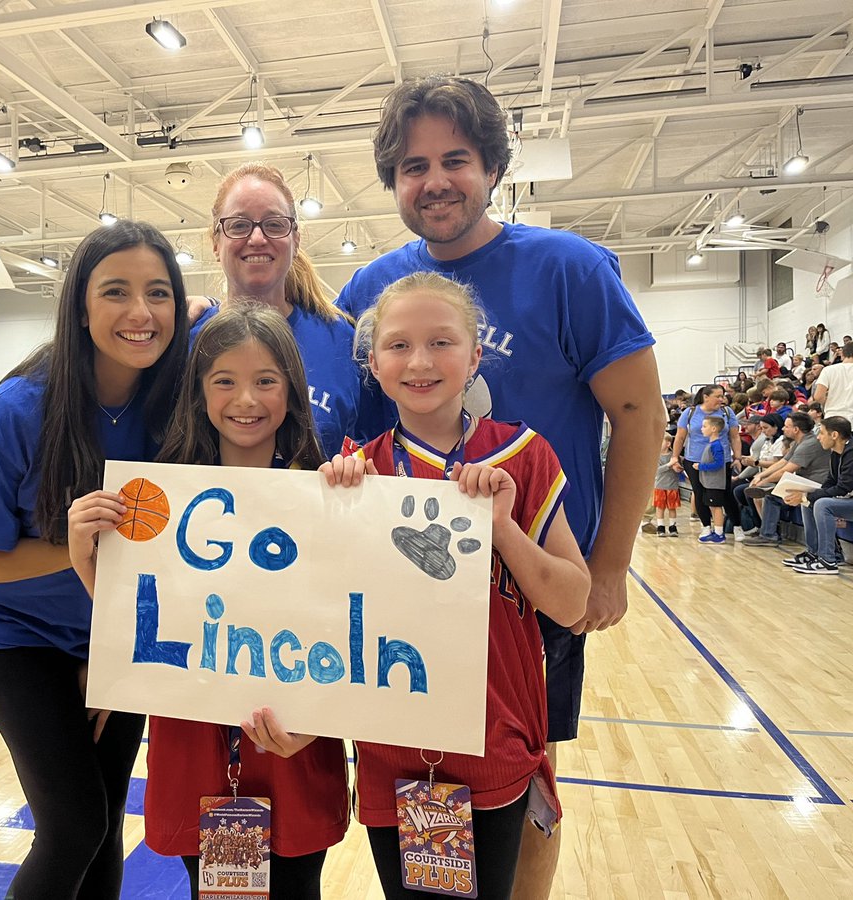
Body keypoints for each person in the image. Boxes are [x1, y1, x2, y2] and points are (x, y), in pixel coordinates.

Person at [332, 74, 663, 894]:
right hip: (410, 597)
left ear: (492, 168)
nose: (435, 181)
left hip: (534, 581)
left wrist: (610, 565)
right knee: (419, 783)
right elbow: (352, 430)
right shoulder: (369, 291)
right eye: (413, 166)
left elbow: (639, 415)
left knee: (530, 784)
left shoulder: (571, 268)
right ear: (393, 180)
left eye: (455, 160)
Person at [68, 302, 355, 897]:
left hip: (293, 743)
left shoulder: (328, 491)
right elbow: (140, 627)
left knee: (297, 888)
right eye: (224, 381)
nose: (245, 400)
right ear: (199, 394)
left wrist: (320, 720)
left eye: (266, 381)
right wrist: (84, 559)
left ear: (292, 392)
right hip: (193, 746)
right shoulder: (161, 497)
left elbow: (355, 632)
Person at [0, 221, 189, 898]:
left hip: (117, 639)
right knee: (73, 825)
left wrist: (110, 658)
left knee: (104, 824)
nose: (140, 312)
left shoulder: (176, 404)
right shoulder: (19, 410)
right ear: (80, 307)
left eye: (158, 293)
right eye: (116, 292)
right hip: (16, 639)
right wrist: (72, 549)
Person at [343, 273, 589, 899]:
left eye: (441, 342)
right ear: (374, 363)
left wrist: (502, 528)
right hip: (389, 741)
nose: (420, 362)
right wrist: (330, 506)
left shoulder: (522, 454)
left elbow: (571, 602)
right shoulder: (356, 471)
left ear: (475, 356)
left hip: (492, 737)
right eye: (398, 345)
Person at [192, 162, 369, 457]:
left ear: (295, 240)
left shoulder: (340, 340)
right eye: (238, 225)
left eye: (274, 224)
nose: (257, 239)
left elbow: (381, 446)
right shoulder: (187, 339)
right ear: (215, 242)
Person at [743, 413, 830, 547]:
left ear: (796, 429)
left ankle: (769, 535)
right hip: (805, 483)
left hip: (815, 486)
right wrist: (761, 476)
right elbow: (783, 462)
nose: (783, 429)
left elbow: (786, 469)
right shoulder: (800, 442)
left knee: (772, 496)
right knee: (770, 495)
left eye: (786, 426)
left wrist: (764, 481)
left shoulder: (809, 444)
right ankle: (768, 533)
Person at [782, 416, 853, 575]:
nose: (818, 437)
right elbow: (831, 481)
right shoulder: (836, 452)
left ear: (834, 435)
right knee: (811, 501)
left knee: (821, 504)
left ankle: (828, 561)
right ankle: (814, 553)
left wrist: (808, 495)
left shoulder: (851, 453)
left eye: (821, 433)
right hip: (848, 499)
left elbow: (843, 487)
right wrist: (809, 495)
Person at [670, 386, 741, 541]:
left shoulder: (727, 412)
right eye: (718, 396)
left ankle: (737, 526)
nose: (721, 399)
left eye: (722, 396)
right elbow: (680, 437)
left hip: (721, 460)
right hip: (694, 459)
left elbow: (735, 437)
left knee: (725, 494)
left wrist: (737, 457)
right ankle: (706, 527)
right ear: (706, 397)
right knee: (699, 492)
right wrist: (675, 457)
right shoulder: (690, 413)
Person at [695, 416, 733, 543]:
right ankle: (716, 531)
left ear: (714, 429)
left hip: (715, 483)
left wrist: (701, 466)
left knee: (716, 507)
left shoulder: (717, 445)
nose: (702, 429)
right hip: (708, 482)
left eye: (704, 426)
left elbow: (718, 464)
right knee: (712, 506)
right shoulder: (711, 444)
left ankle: (719, 533)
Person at [814, 342, 853, 420]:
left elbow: (818, 396)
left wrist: (829, 403)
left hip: (833, 416)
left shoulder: (828, 370)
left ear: (842, 354)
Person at [651, 433, 680, 537]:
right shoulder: (656, 456)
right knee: (660, 508)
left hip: (672, 486)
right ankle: (661, 526)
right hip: (660, 486)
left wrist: (677, 468)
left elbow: (678, 468)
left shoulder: (674, 456)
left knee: (672, 508)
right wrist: (669, 465)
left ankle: (673, 526)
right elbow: (656, 470)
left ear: (668, 444)